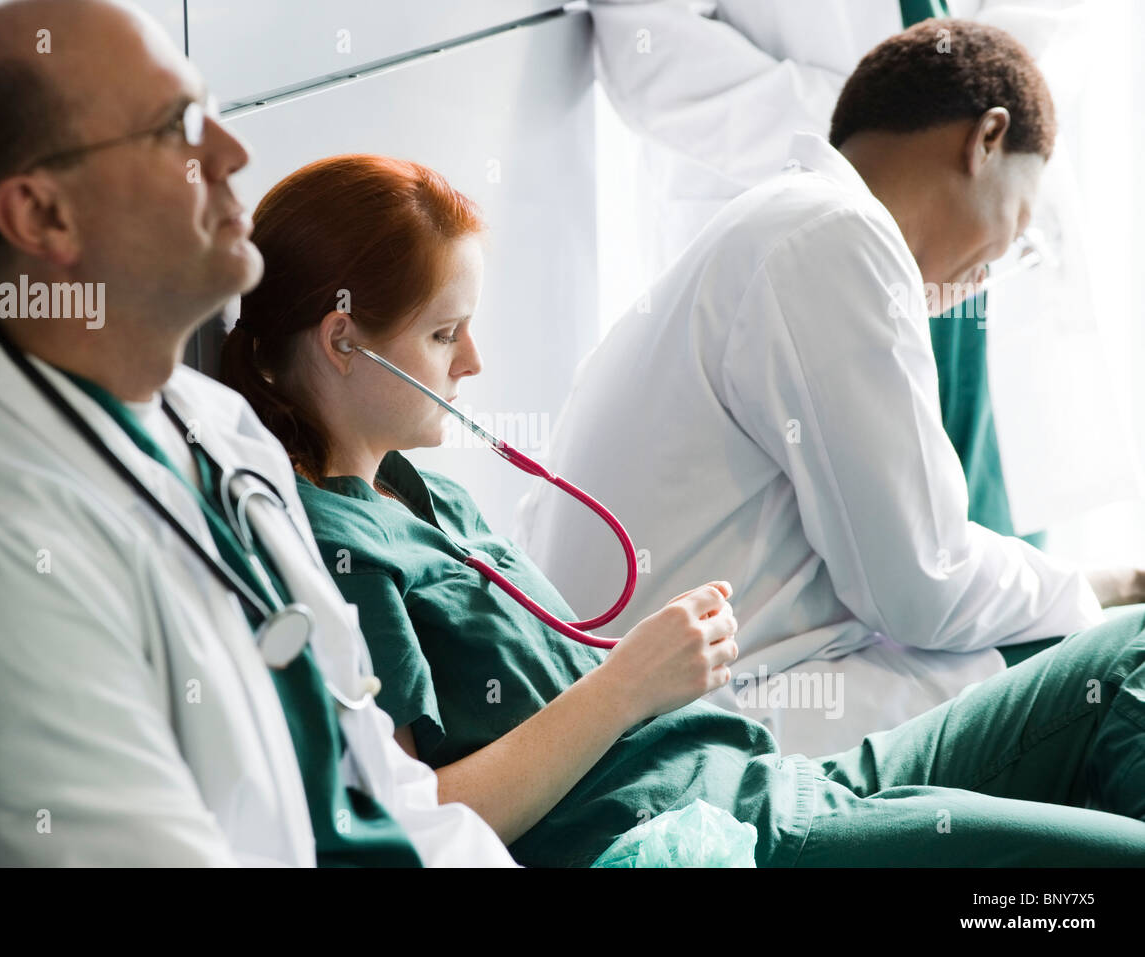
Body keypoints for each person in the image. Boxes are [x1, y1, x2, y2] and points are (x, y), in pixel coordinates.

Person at [219, 151, 1145, 868]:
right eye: (444, 333)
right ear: (345, 341)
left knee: (1128, 647)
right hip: (720, 837)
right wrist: (629, 681)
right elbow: (419, 821)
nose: (474, 365)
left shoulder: (425, 491)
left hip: (768, 777)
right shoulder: (337, 551)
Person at [0, 0, 514, 867]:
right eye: (175, 128)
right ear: (43, 217)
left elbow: (387, 793)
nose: (232, 153)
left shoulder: (215, 426)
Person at [516, 18, 1145, 756]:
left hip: (624, 705)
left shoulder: (783, 222)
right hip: (683, 731)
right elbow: (923, 588)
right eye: (1022, 222)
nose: (996, 269)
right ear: (986, 140)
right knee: (1092, 665)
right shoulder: (838, 239)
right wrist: (1109, 584)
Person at [588, 0, 1140, 546]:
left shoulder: (987, 221)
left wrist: (957, 104)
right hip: (821, 214)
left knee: (984, 504)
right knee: (851, 533)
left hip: (970, 215)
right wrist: (898, 136)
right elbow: (646, 36)